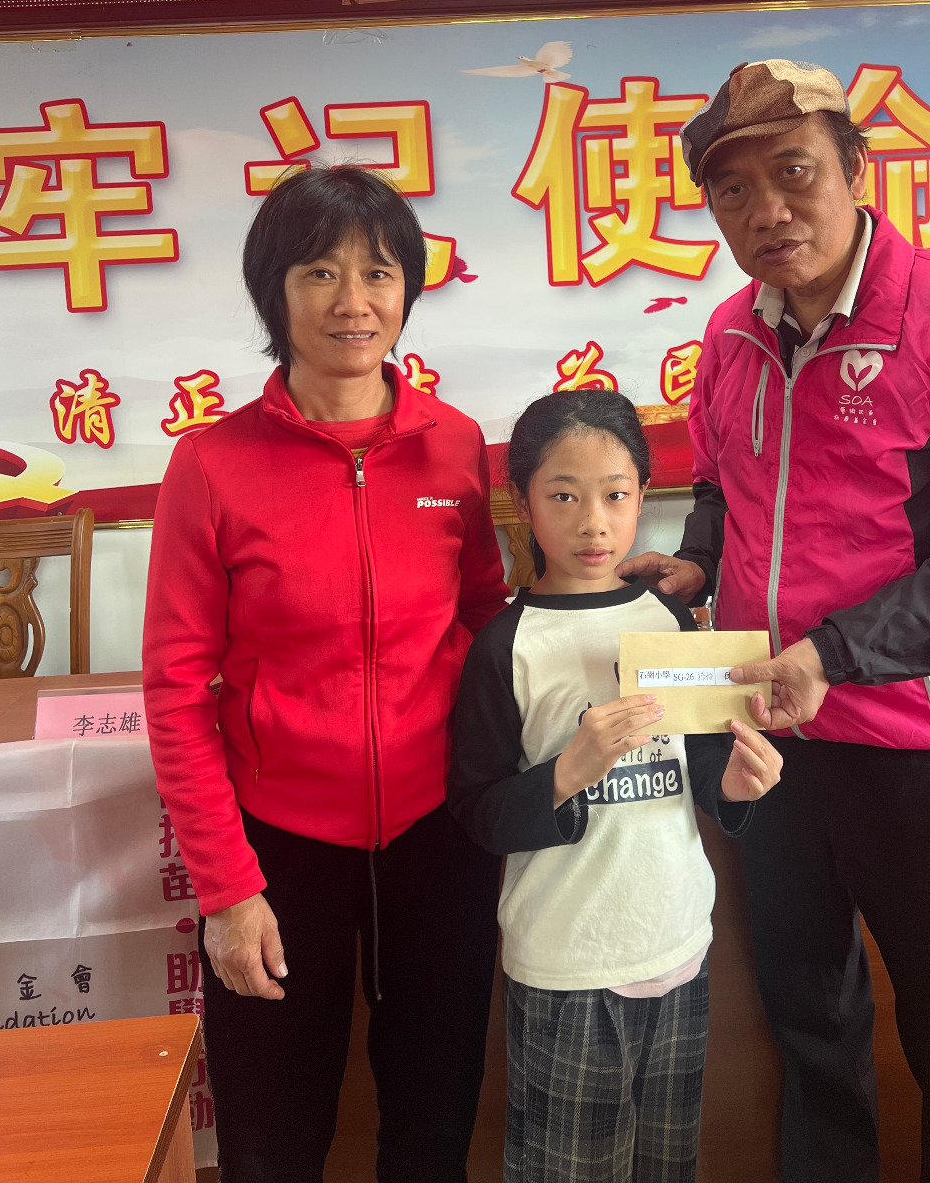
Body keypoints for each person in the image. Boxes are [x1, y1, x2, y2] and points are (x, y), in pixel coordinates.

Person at [619, 59, 930, 1183]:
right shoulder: (729, 333)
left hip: (916, 747)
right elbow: (723, 485)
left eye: (795, 174)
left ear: (858, 170)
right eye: (733, 191)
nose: (767, 211)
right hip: (771, 747)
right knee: (810, 1022)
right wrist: (694, 561)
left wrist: (836, 654)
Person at [141, 164, 509, 1183]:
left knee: (434, 1124)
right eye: (320, 272)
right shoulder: (212, 465)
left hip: (438, 836)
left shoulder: (453, 447)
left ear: (408, 290)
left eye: (378, 273)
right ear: (276, 291)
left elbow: (484, 617)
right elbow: (175, 691)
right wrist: (228, 889)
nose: (354, 301)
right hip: (278, 851)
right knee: (272, 1138)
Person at [448, 391, 783, 1183]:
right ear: (522, 499)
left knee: (668, 1164)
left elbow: (701, 765)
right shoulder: (505, 645)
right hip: (567, 961)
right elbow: (477, 812)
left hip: (676, 941)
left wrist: (737, 785)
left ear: (642, 494)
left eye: (615, 495)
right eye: (564, 496)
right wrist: (570, 769)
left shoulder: (672, 620)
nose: (593, 523)